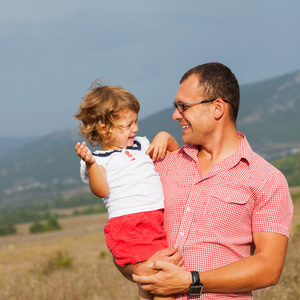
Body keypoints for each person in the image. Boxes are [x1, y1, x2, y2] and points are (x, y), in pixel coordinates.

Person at [117, 62, 294, 299]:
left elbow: (269, 267)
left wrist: (191, 282)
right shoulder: (158, 168)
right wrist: (140, 269)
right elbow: (124, 233)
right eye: (175, 106)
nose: (175, 115)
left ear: (217, 108)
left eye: (183, 106)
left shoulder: (267, 180)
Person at [74, 81, 180, 300]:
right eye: (130, 124)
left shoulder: (142, 145)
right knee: (155, 277)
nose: (136, 128)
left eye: (136, 122)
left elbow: (177, 158)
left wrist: (165, 137)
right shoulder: (97, 160)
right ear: (104, 128)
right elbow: (102, 190)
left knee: (162, 277)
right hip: (130, 225)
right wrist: (91, 165)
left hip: (157, 220)